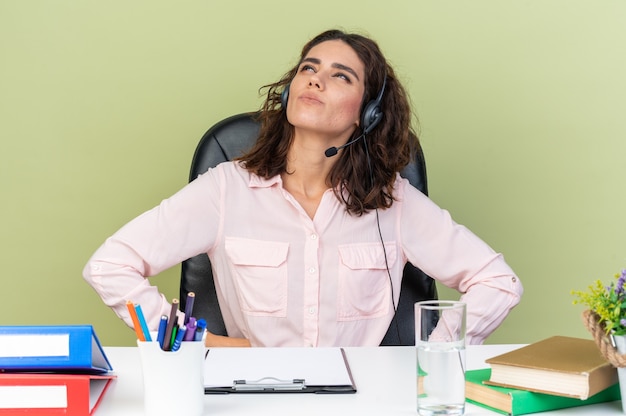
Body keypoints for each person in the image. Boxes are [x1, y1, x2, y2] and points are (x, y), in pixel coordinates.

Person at [83, 29, 523, 347]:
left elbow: (498, 283)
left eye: (340, 76)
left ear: (366, 114)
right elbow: (109, 266)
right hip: (251, 399)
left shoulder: (394, 202)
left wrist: (437, 353)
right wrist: (198, 341)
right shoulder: (224, 190)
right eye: (309, 68)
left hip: (359, 400)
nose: (314, 79)